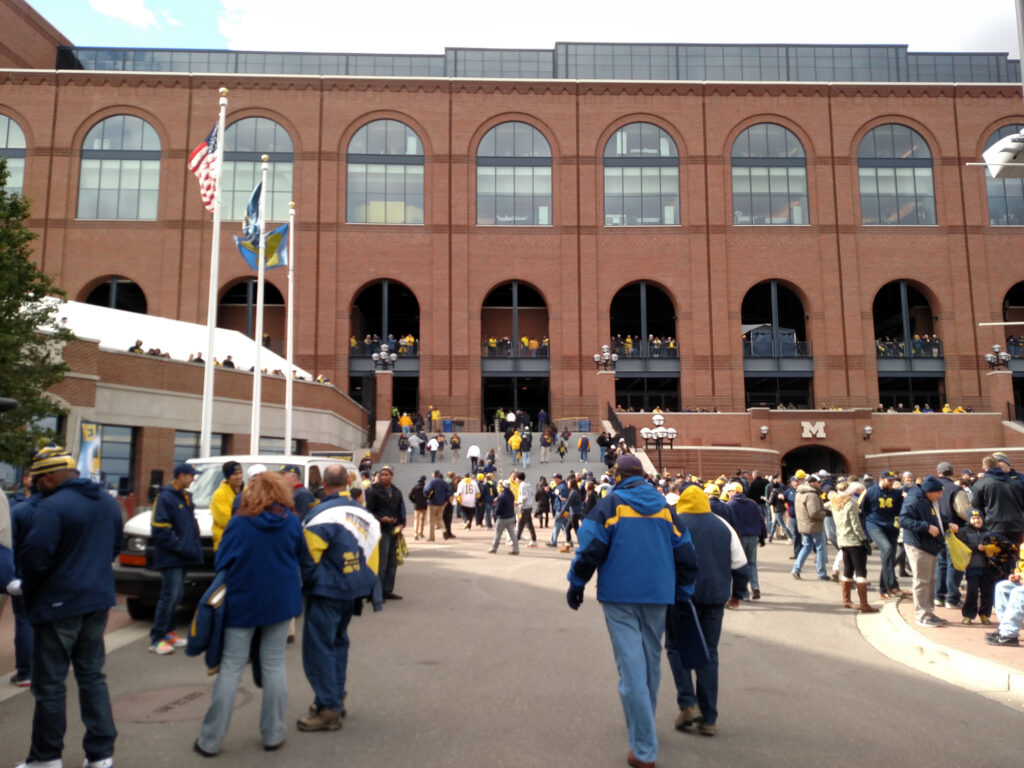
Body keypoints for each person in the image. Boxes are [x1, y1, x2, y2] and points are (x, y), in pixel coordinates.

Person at [566, 455, 698, 768]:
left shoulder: (610, 505)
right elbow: (688, 555)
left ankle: (643, 749)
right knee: (650, 663)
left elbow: (591, 548)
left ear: (618, 476)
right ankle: (644, 726)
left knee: (631, 671)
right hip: (658, 595)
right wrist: (682, 592)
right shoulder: (666, 509)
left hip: (620, 596)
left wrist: (576, 582)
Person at [15, 445, 122, 768]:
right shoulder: (108, 502)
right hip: (97, 600)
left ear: (49, 478)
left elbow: (34, 559)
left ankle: (47, 758)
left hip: (58, 604)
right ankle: (101, 755)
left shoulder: (51, 507)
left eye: (37, 479)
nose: (34, 485)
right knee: (92, 677)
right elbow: (114, 548)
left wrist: (31, 593)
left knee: (50, 686)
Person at [194, 471, 304, 755]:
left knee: (231, 668)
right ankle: (273, 733)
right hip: (281, 602)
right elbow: (303, 558)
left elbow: (223, 561)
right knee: (274, 664)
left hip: (243, 602)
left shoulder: (239, 523)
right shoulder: (292, 522)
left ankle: (210, 740)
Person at [297, 464, 382, 731]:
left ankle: (328, 707)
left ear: (324, 482)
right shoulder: (364, 513)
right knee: (338, 643)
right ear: (347, 481)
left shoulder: (319, 515)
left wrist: (311, 584)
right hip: (354, 588)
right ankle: (336, 696)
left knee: (319, 648)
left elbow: (308, 559)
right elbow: (373, 554)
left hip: (326, 590)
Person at [667, 483, 747, 738]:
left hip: (679, 597)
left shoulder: (673, 522)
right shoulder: (722, 525)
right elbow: (740, 564)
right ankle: (709, 717)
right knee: (709, 653)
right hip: (714, 597)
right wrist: (738, 593)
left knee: (677, 647)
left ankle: (688, 703)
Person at [150, 463, 202, 654]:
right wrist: (178, 546)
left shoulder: (186, 497)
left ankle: (169, 632)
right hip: (171, 557)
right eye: (190, 476)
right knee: (168, 596)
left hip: (183, 556)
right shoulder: (165, 497)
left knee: (177, 596)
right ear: (180, 476)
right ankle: (157, 638)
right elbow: (159, 527)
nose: (193, 479)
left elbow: (190, 524)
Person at [898, 475, 954, 627]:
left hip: (931, 545)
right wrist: (926, 527)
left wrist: (947, 525)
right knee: (922, 581)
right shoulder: (914, 500)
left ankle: (929, 611)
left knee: (930, 580)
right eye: (938, 492)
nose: (940, 495)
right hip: (918, 544)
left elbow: (937, 519)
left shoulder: (930, 500)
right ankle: (922, 615)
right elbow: (903, 520)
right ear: (929, 491)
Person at [831, 481, 877, 612]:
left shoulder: (834, 503)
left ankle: (846, 600)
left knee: (848, 569)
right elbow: (856, 525)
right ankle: (864, 604)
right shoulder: (851, 504)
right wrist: (864, 540)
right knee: (861, 571)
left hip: (842, 540)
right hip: (854, 541)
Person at [860, 470, 907, 598]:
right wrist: (864, 533)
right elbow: (863, 511)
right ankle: (892, 585)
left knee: (889, 557)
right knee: (887, 549)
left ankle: (884, 588)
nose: (891, 482)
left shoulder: (896, 493)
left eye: (893, 480)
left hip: (891, 527)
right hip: (874, 525)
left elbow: (901, 508)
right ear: (881, 479)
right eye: (889, 480)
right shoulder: (870, 492)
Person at [363, 466, 406, 599]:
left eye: (387, 475)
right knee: (382, 562)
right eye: (382, 475)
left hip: (394, 531)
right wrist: (381, 519)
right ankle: (375, 593)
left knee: (392, 562)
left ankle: (387, 590)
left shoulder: (397, 492)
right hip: (380, 531)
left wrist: (401, 523)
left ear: (391, 476)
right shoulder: (374, 492)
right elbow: (368, 511)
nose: (384, 477)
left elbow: (401, 510)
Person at [724, 482, 766, 599]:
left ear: (734, 492)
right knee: (752, 563)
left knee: (740, 565)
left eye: (729, 491)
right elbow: (761, 520)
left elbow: (728, 524)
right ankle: (755, 586)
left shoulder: (730, 505)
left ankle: (745, 593)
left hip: (739, 537)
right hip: (753, 536)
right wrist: (762, 537)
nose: (728, 494)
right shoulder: (752, 504)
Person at [957, 509, 994, 624]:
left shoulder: (988, 531)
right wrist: (976, 547)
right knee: (972, 591)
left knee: (988, 592)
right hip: (972, 566)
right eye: (973, 518)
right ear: (969, 520)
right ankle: (968, 615)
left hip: (988, 567)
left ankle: (984, 614)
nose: (977, 520)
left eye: (979, 518)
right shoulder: (963, 531)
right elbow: (961, 546)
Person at [791, 473, 828, 580]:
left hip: (803, 524)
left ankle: (796, 569)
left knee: (807, 546)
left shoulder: (799, 492)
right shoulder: (812, 495)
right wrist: (825, 513)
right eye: (819, 482)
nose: (820, 484)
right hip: (814, 525)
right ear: (813, 483)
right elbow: (814, 513)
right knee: (821, 548)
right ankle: (821, 573)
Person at [210, 460, 243, 550]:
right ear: (228, 477)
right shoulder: (219, 494)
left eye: (240, 473)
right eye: (235, 474)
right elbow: (225, 520)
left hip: (242, 543)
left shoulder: (246, 492)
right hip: (226, 544)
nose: (239, 476)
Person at [488, 480, 519, 555]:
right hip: (511, 517)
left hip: (502, 518)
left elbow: (498, 508)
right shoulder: (511, 495)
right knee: (512, 534)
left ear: (503, 487)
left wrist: (496, 513)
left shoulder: (501, 496)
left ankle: (493, 548)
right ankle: (516, 548)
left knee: (498, 534)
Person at [425, 470, 451, 541]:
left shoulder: (432, 482)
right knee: (440, 518)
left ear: (434, 475)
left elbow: (426, 490)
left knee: (431, 520)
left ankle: (431, 537)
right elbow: (448, 491)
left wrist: (427, 497)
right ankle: (444, 530)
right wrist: (445, 500)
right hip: (441, 503)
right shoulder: (444, 482)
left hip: (432, 503)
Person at [516, 472, 538, 547]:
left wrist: (518, 502)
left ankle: (516, 539)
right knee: (529, 524)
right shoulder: (527, 484)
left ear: (518, 478)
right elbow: (532, 493)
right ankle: (534, 540)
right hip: (529, 506)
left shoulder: (522, 486)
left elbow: (524, 497)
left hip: (524, 507)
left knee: (520, 523)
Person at [409, 475, 428, 541]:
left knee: (416, 520)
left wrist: (414, 501)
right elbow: (429, 495)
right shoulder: (425, 487)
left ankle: (415, 533)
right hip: (424, 506)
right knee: (422, 520)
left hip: (417, 506)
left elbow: (410, 495)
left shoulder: (415, 487)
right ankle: (421, 532)